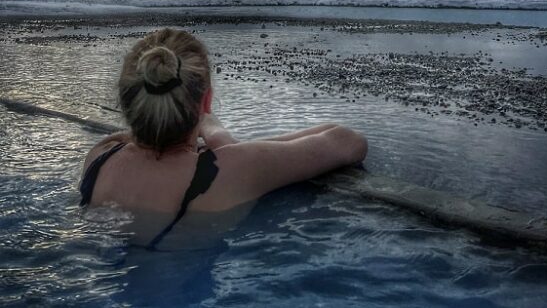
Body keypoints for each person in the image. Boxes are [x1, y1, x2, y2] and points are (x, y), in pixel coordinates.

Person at [80, 27, 368, 249]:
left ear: (128, 101)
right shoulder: (227, 171)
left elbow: (140, 134)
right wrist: (215, 129)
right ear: (206, 100)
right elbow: (348, 141)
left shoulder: (100, 155)